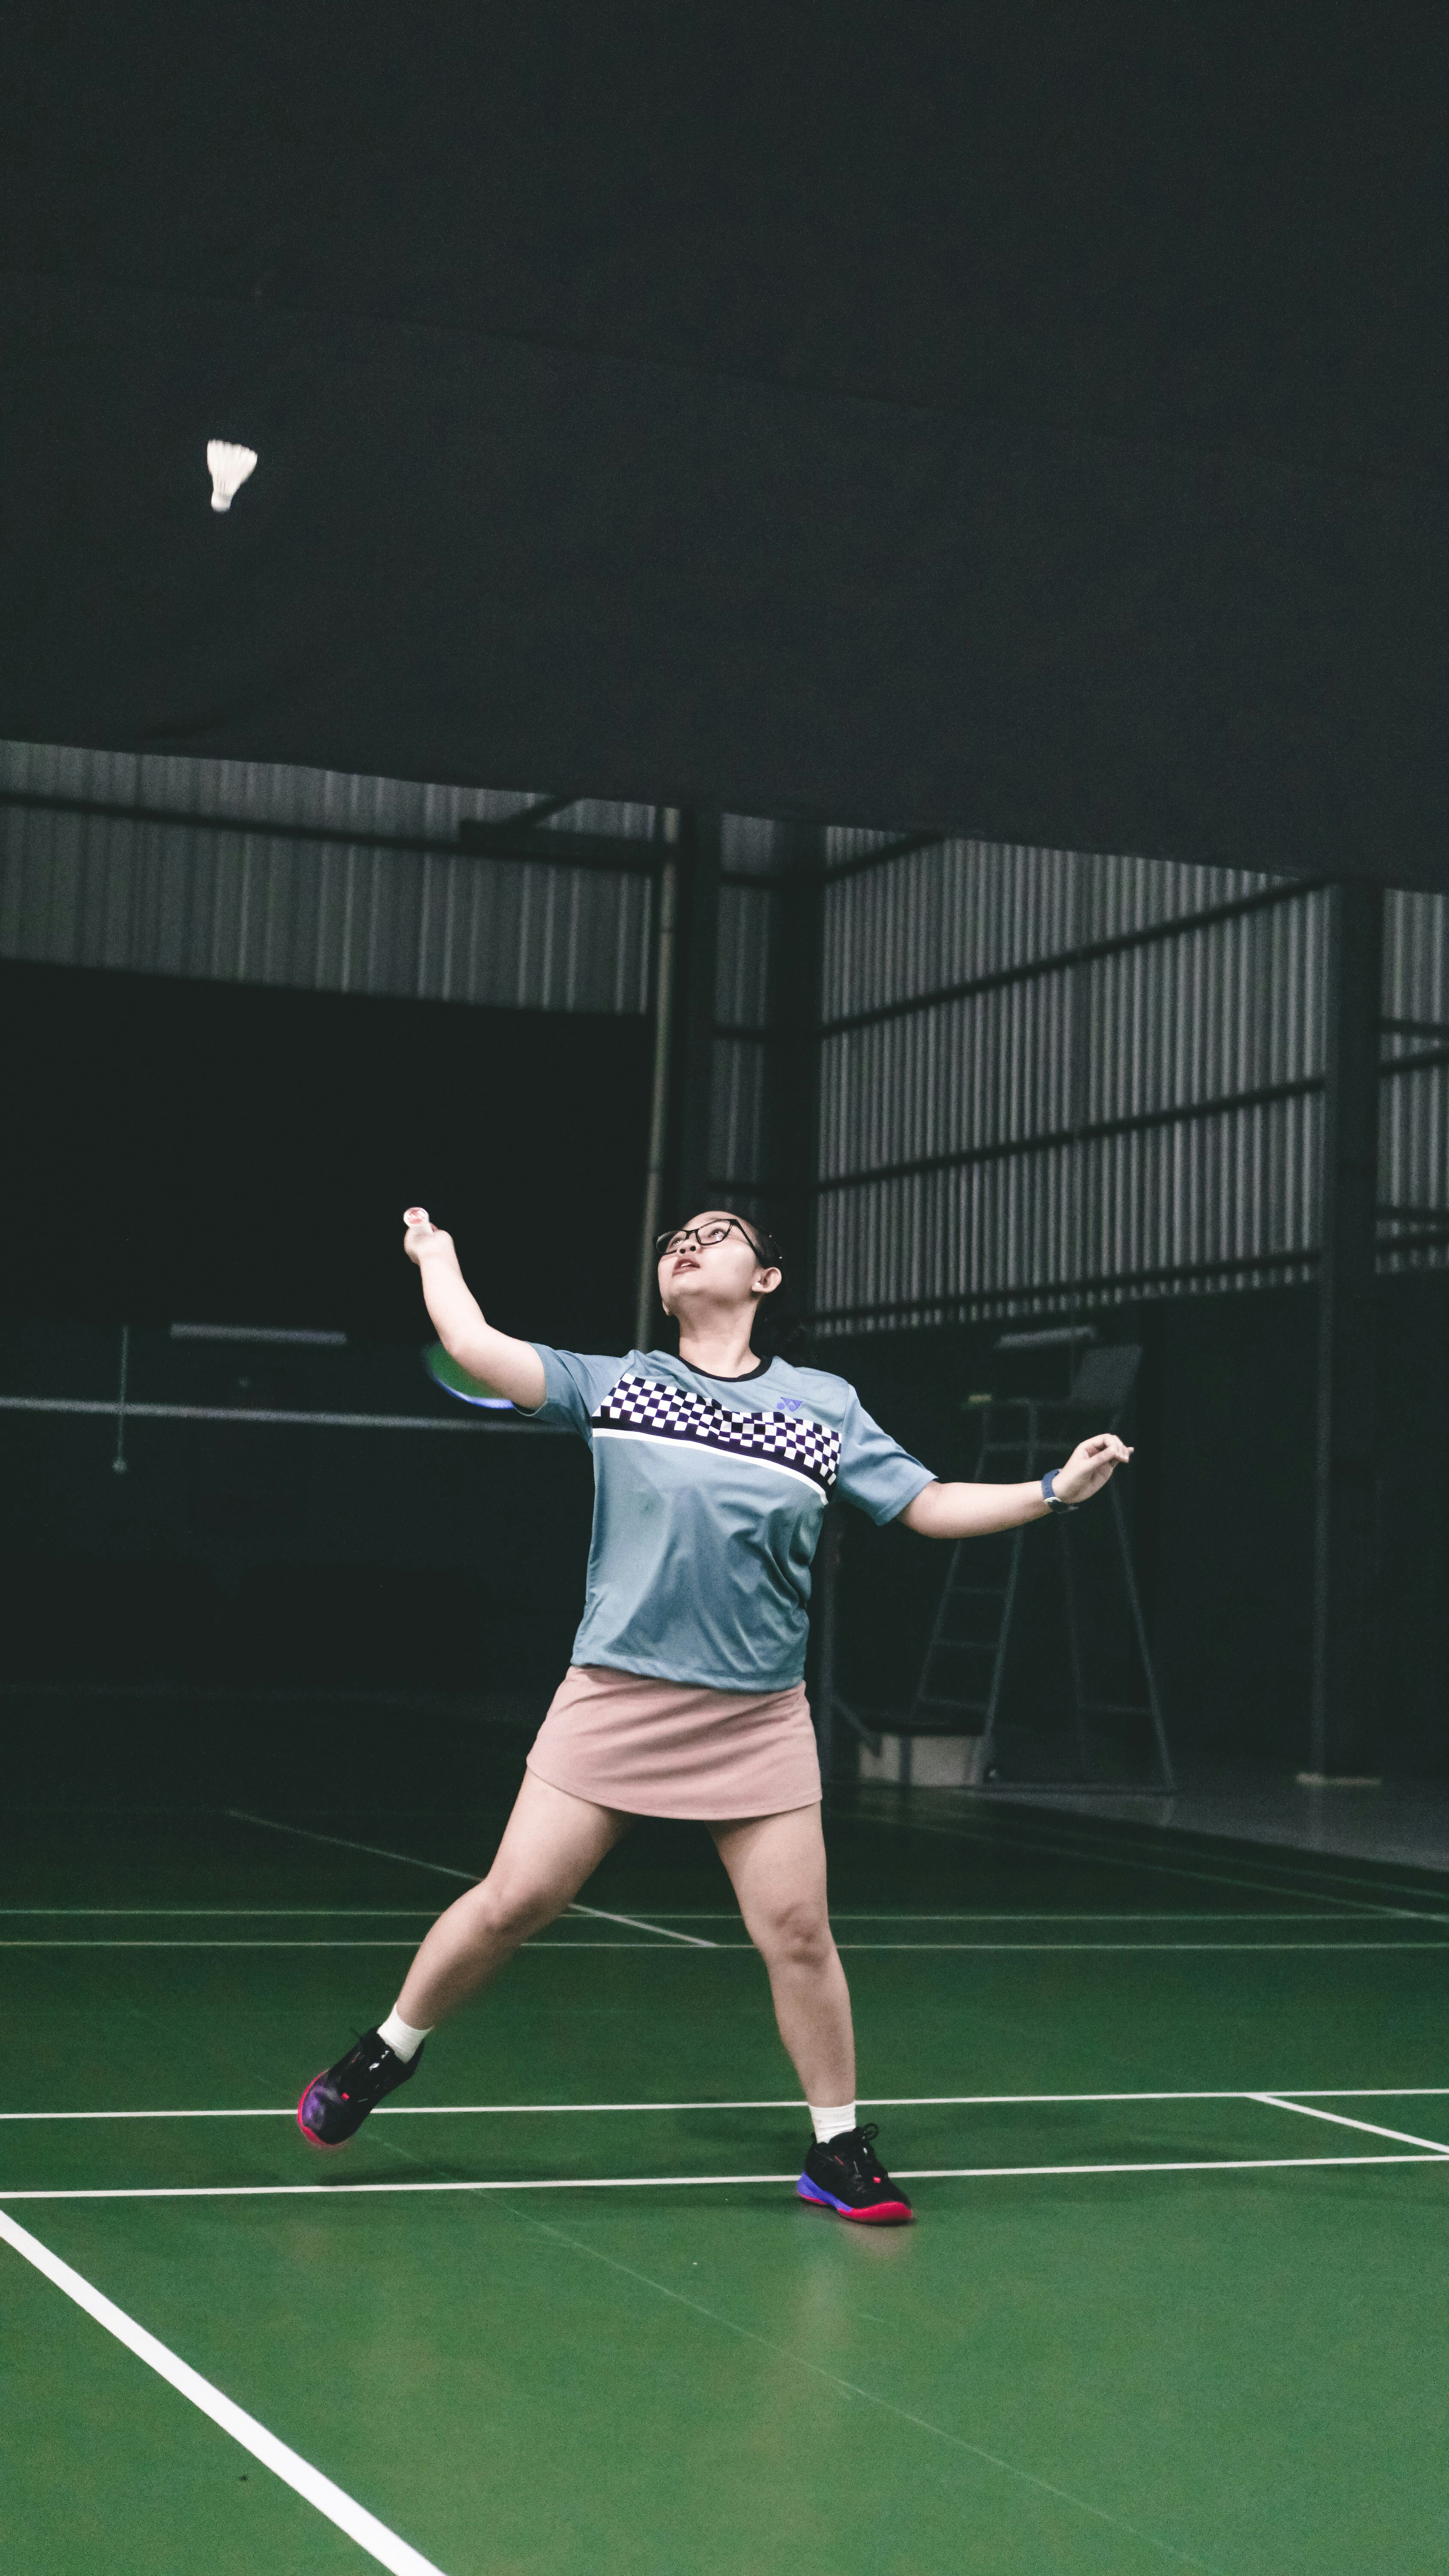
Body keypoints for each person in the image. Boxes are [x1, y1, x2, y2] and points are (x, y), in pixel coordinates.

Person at [298, 1208, 1131, 2222]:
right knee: (516, 1900)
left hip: (755, 1715)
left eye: (718, 1233)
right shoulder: (618, 1384)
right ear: (663, 1287)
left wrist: (1055, 1490)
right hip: (617, 1695)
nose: (687, 1245)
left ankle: (836, 2149)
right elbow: (473, 1349)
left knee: (798, 1933)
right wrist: (437, 1258)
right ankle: (389, 2049)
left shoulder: (822, 1405)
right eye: (673, 1242)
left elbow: (923, 1504)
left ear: (766, 1279)